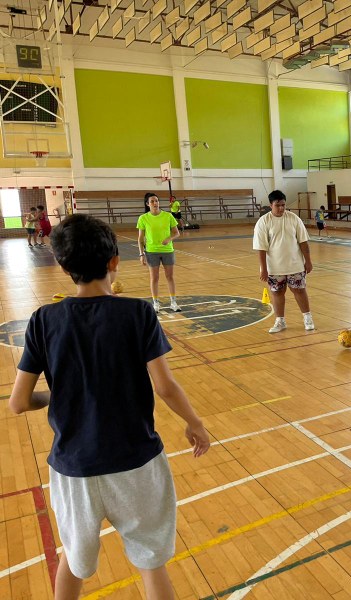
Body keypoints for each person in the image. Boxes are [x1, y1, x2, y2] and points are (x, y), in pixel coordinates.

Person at [8, 214, 210, 600]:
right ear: (115, 260)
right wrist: (195, 423)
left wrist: (64, 395)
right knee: (152, 565)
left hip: (74, 470)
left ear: (63, 266)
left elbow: (18, 402)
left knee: (73, 563)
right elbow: (165, 386)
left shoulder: (43, 320)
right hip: (137, 463)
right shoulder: (137, 314)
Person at [253, 190, 315, 333]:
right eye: (277, 205)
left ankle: (307, 317)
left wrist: (308, 261)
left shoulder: (294, 219)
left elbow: (303, 242)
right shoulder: (263, 222)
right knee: (277, 293)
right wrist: (263, 269)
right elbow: (261, 248)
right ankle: (280, 321)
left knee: (299, 290)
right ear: (270, 205)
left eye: (283, 205)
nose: (281, 208)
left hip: (295, 265)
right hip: (274, 268)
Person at [137, 193, 181, 312]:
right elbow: (140, 239)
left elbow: (177, 233)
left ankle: (173, 302)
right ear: (147, 204)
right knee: (154, 278)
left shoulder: (168, 216)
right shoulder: (143, 218)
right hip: (151, 252)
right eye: (152, 201)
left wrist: (169, 239)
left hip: (168, 251)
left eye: (156, 201)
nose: (155, 203)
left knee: (170, 276)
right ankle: (155, 303)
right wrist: (141, 254)